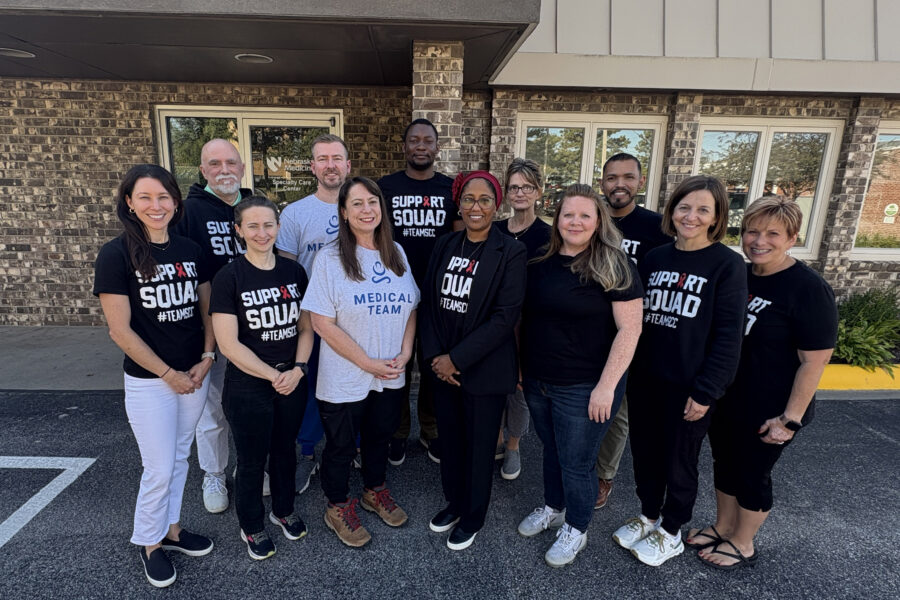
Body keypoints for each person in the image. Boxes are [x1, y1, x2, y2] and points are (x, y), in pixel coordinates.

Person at [690, 196, 837, 569]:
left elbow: (814, 361)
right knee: (724, 464)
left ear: (792, 238)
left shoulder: (807, 288)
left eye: (773, 234)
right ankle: (724, 526)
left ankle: (743, 542)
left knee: (753, 473)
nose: (759, 240)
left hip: (772, 406)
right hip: (730, 397)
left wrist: (789, 419)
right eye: (753, 231)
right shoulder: (740, 274)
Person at [613, 175, 747, 567]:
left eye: (703, 209)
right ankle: (648, 515)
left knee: (679, 460)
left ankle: (672, 530)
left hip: (690, 386)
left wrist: (707, 391)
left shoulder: (727, 265)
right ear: (671, 211)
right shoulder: (655, 258)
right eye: (684, 207)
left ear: (717, 216)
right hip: (646, 379)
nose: (691, 216)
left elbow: (728, 337)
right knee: (646, 455)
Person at [94, 164, 215, 588]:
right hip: (151, 381)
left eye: (163, 197)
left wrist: (207, 356)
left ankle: (173, 530)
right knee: (159, 466)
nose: (155, 205)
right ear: (129, 203)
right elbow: (119, 330)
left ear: (176, 201)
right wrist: (168, 374)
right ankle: (149, 543)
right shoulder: (116, 254)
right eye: (145, 197)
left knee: (181, 456)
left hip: (193, 375)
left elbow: (206, 309)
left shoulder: (190, 249)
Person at [516, 183, 643, 567]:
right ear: (558, 220)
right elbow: (526, 318)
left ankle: (577, 526)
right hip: (539, 379)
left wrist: (607, 387)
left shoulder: (615, 264)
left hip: (586, 385)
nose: (575, 221)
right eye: (568, 214)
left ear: (598, 220)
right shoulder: (540, 260)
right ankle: (553, 507)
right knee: (552, 450)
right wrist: (523, 368)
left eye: (585, 215)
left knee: (578, 461)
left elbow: (630, 329)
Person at [301, 176, 419, 548]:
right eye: (357, 204)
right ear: (344, 213)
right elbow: (321, 322)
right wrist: (367, 362)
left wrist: (405, 352)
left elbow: (411, 306)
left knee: (379, 438)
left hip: (390, 372)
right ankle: (337, 505)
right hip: (345, 376)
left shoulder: (396, 253)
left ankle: (374, 490)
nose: (367, 210)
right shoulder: (330, 259)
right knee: (339, 446)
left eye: (373, 202)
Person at [420, 170, 527, 551]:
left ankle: (473, 515)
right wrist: (436, 357)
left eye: (484, 199)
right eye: (468, 199)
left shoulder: (510, 251)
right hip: (442, 369)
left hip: (483, 370)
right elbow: (429, 304)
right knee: (451, 442)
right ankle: (454, 502)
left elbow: (505, 317)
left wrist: (457, 360)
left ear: (496, 204)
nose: (476, 206)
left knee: (480, 447)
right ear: (459, 203)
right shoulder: (445, 245)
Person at [210, 195, 314, 560]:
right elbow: (228, 343)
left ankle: (283, 510)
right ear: (238, 230)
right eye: (252, 225)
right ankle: (251, 524)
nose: (261, 232)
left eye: (268, 224)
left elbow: (305, 328)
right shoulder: (229, 277)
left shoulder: (294, 272)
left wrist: (299, 370)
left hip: (291, 381)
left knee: (285, 452)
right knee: (252, 459)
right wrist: (274, 375)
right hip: (249, 385)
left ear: (278, 228)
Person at [377, 118, 464, 466]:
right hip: (393, 292)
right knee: (397, 365)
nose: (421, 146)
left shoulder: (449, 188)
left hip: (437, 295)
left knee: (431, 368)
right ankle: (398, 433)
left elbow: (459, 240)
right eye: (414, 140)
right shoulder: (386, 187)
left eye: (428, 140)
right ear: (405, 146)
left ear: (437, 147)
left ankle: (430, 431)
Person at [173, 138, 251, 514]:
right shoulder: (188, 212)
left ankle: (253, 464)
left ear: (242, 167)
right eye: (215, 164)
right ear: (203, 171)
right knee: (212, 410)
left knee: (254, 404)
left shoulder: (254, 207)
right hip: (209, 328)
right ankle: (214, 472)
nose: (224, 170)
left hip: (257, 328)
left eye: (231, 163)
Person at [594, 153, 673, 509]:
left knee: (616, 411)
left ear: (640, 182)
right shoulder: (592, 221)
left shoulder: (657, 229)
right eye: (612, 178)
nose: (619, 184)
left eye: (627, 177)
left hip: (630, 332)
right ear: (602, 184)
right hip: (588, 331)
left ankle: (603, 476)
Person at [276, 133, 352, 492]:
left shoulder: (362, 206)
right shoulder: (295, 213)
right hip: (311, 320)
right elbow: (287, 271)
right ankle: (306, 453)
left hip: (354, 321)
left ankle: (347, 449)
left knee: (350, 390)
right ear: (313, 167)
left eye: (336, 158)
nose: (330, 165)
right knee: (307, 389)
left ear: (348, 165)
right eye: (323, 159)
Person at [494, 158, 552, 480]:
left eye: (526, 187)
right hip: (498, 320)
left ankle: (513, 444)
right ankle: (498, 438)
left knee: (519, 387)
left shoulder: (547, 235)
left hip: (531, 323)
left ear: (538, 192)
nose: (519, 193)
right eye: (514, 187)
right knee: (496, 382)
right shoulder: (497, 230)